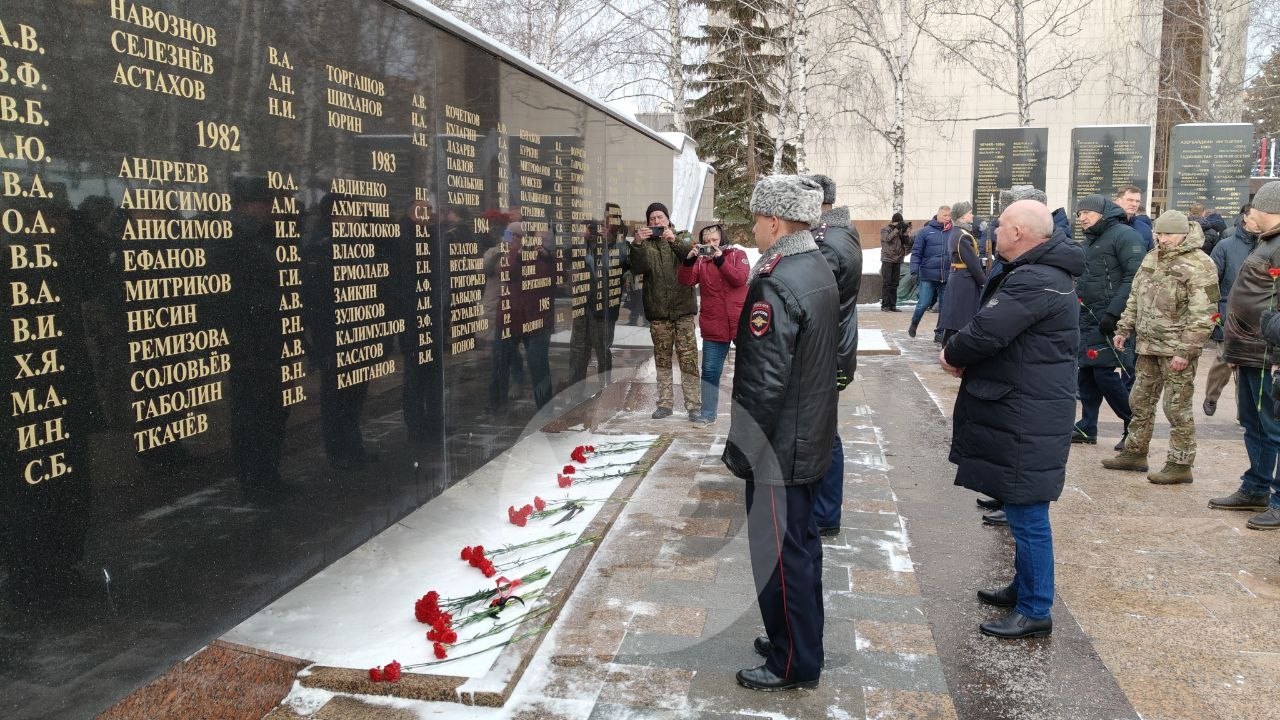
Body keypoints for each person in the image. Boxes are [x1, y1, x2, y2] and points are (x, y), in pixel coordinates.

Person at [940, 199, 1084, 639]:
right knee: (1021, 504)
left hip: (1028, 410)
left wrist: (952, 354)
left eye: (1000, 226)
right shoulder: (1039, 273)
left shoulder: (1036, 279)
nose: (994, 231)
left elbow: (987, 331)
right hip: (1026, 403)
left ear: (1020, 232)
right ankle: (1024, 588)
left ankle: (1036, 608)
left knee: (1027, 513)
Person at [722, 175, 838, 691]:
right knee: (801, 548)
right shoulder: (814, 265)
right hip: (806, 437)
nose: (753, 228)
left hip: (778, 448)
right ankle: (797, 639)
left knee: (781, 557)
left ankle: (793, 661)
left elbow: (763, 381)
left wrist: (742, 448)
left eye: (755, 219)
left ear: (774, 222)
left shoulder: (776, 279)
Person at [1101, 212, 1218, 484]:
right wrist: (1124, 329)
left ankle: (1180, 464)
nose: (1162, 239)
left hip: (1177, 349)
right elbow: (1135, 296)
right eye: (1159, 234)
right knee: (1139, 400)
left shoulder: (1200, 264)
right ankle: (1135, 452)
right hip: (1148, 346)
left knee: (1176, 408)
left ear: (1183, 234)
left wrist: (1185, 351)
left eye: (1168, 235)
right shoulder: (1151, 257)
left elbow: (1205, 314)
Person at [1209, 182, 1280, 529]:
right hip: (1250, 351)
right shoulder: (1267, 243)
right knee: (1254, 424)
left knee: (1274, 427)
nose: (1249, 214)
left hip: (1269, 354)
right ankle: (1255, 487)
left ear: (1269, 207)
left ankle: (1277, 499)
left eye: (1255, 208)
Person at [808, 173, 862, 537]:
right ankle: (823, 508)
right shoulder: (839, 234)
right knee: (823, 430)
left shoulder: (827, 243)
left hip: (825, 351)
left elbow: (812, 302)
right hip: (835, 346)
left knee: (824, 433)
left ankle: (825, 511)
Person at [1072, 194, 1144, 450]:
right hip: (1089, 317)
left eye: (1086, 213)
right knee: (1087, 373)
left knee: (1106, 374)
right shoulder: (1091, 240)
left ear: (1102, 212)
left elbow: (1134, 277)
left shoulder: (1125, 235)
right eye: (1079, 214)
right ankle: (1087, 426)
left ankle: (1134, 426)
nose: (1082, 218)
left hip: (1112, 319)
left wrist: (1114, 314)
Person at [630, 202, 701, 420]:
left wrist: (673, 239)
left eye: (660, 217)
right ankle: (664, 403)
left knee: (688, 361)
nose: (656, 222)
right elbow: (637, 268)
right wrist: (638, 244)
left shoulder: (683, 236)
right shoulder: (646, 244)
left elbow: (691, 256)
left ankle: (694, 406)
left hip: (683, 313)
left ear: (668, 219)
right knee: (662, 360)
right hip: (659, 314)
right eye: (652, 219)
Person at [678, 223, 748, 424]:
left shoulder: (736, 254)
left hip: (740, 323)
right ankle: (708, 414)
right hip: (713, 324)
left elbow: (739, 279)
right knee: (710, 371)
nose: (711, 244)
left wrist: (720, 261)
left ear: (722, 239)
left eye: (715, 240)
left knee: (747, 372)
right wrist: (689, 261)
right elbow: (685, 281)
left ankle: (747, 416)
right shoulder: (701, 262)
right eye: (707, 241)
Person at [1204, 204, 1254, 415]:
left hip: (1257, 316)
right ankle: (1211, 396)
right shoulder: (1225, 246)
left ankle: (1243, 410)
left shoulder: (1269, 245)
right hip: (1228, 312)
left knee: (1248, 365)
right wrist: (1214, 311)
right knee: (1225, 359)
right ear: (1245, 218)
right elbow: (1211, 281)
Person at [937, 201, 988, 345]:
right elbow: (972, 264)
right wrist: (984, 282)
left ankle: (948, 346)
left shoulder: (958, 232)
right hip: (965, 280)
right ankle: (951, 348)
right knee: (962, 317)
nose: (972, 215)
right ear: (962, 217)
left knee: (955, 316)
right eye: (969, 213)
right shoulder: (963, 235)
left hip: (959, 277)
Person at [908, 206, 951, 340]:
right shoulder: (925, 232)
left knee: (944, 307)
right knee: (924, 303)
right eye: (944, 215)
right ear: (937, 215)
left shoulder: (953, 232)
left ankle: (939, 333)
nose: (947, 218)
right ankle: (914, 323)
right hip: (928, 274)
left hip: (947, 275)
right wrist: (914, 268)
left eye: (949, 215)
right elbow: (916, 252)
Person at [880, 212, 910, 311]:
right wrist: (896, 230)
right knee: (887, 283)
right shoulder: (885, 229)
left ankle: (893, 305)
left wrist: (905, 231)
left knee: (895, 284)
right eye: (898, 223)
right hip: (888, 259)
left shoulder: (900, 231)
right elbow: (886, 239)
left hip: (897, 259)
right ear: (894, 222)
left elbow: (907, 242)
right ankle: (885, 305)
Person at [1114, 184, 1154, 251]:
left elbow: (1150, 255)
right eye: (1130, 200)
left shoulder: (1145, 229)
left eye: (1137, 201)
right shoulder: (1105, 225)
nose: (1134, 204)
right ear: (1118, 201)